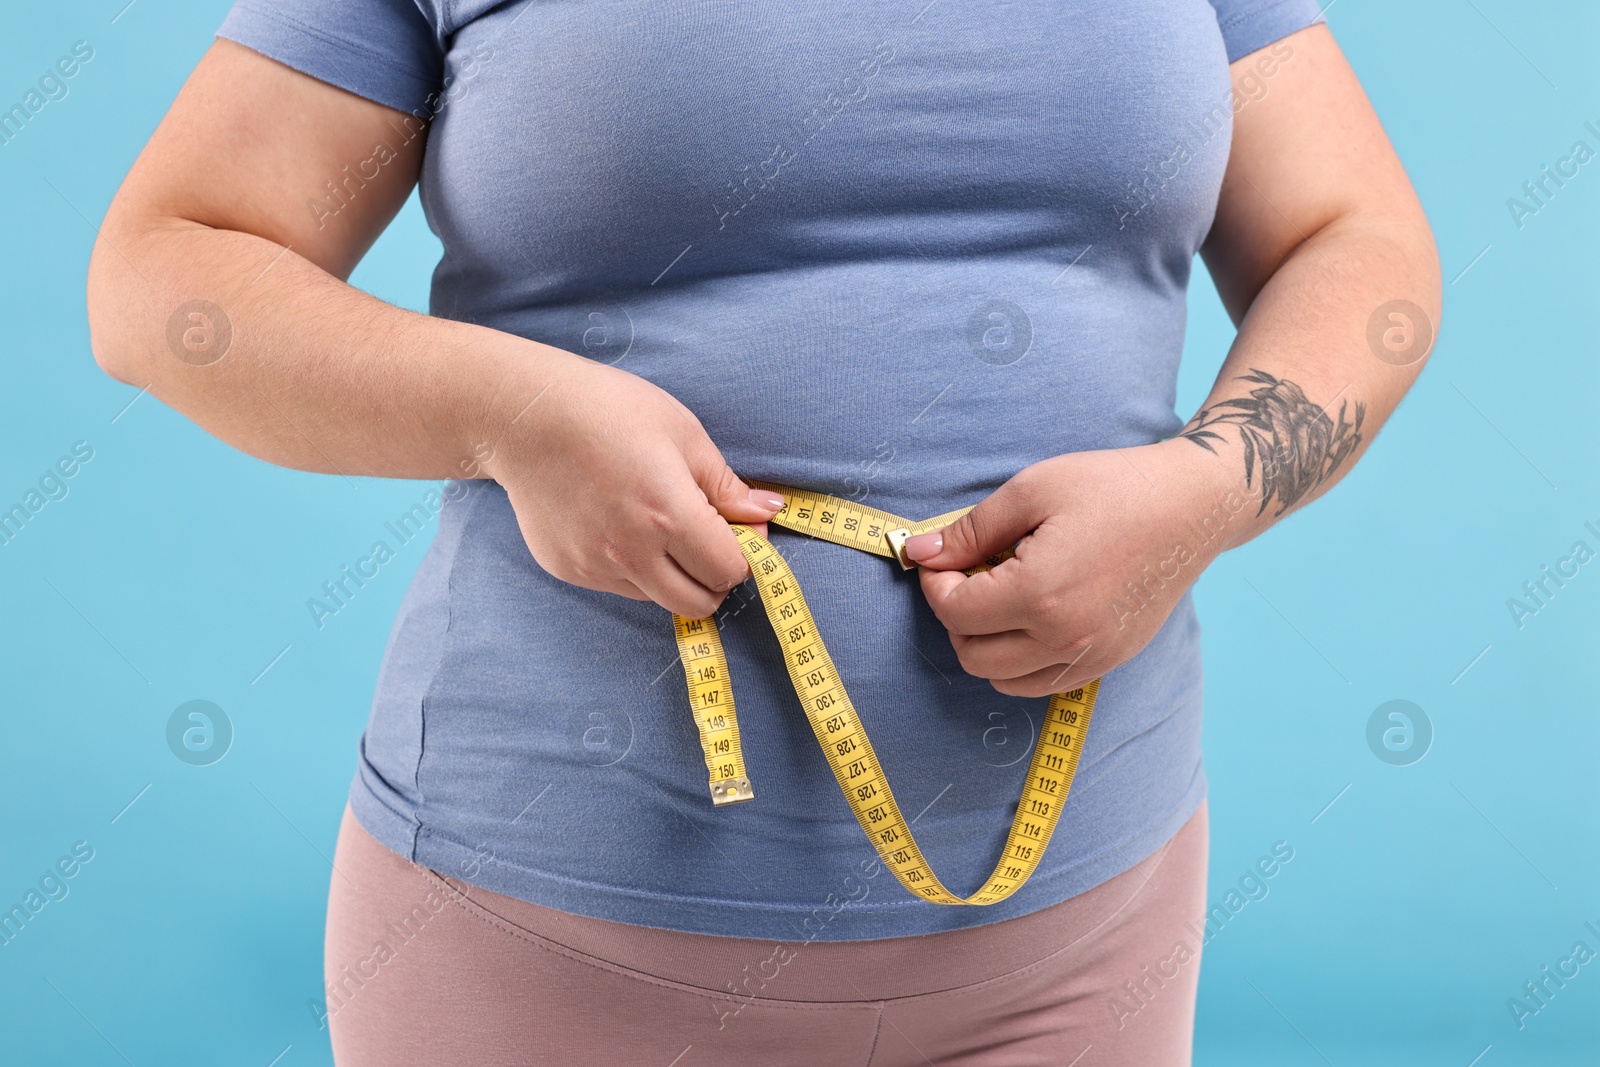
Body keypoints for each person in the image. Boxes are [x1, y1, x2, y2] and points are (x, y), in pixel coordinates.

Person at [86, 0, 1439, 1062]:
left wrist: (1208, 490)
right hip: (553, 952)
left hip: (1080, 949)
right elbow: (163, 271)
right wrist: (507, 411)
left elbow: (1355, 238)